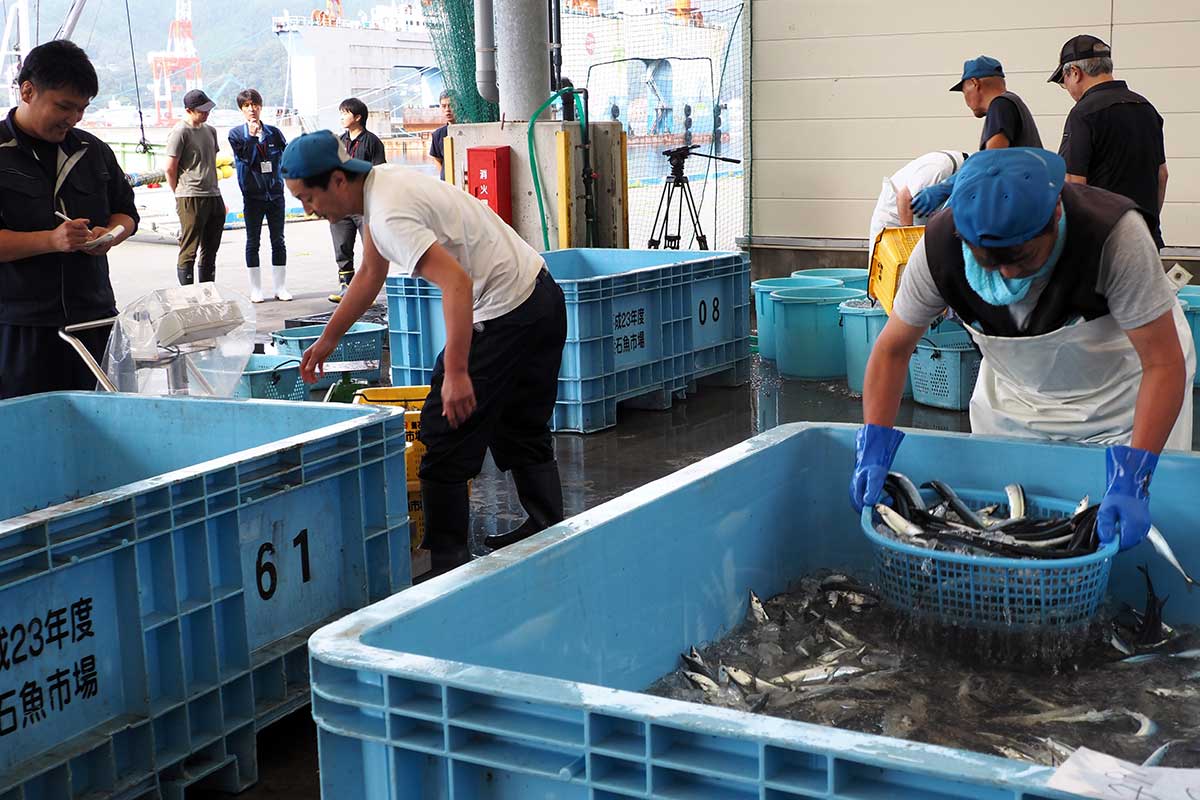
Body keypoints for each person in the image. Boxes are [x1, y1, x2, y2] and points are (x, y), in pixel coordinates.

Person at [850, 148, 1193, 555]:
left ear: (1057, 216)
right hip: (1015, 399)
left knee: (1121, 541)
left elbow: (1162, 363)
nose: (1009, 274)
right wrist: (873, 444)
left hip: (1124, 397)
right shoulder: (938, 249)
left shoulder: (1113, 237)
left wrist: (1135, 475)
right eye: (989, 262)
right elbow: (892, 349)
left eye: (1023, 257)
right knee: (1006, 535)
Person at [281, 131, 568, 578]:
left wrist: (456, 372)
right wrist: (328, 339)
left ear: (338, 180)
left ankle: (447, 562)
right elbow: (372, 272)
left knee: (444, 427)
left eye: (307, 198)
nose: (308, 210)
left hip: (508, 311)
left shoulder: (388, 214)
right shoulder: (380, 187)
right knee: (519, 423)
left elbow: (457, 284)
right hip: (540, 295)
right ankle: (548, 528)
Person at [0, 40, 138, 398]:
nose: (73, 118)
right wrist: (51, 240)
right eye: (64, 106)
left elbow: (127, 213)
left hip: (96, 320)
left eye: (82, 108)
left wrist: (111, 234)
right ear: (27, 90)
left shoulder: (92, 151)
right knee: (27, 434)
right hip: (19, 328)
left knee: (110, 428)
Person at [1049, 35, 1168, 250]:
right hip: (1146, 239)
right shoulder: (1146, 108)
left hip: (1104, 241)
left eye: (1063, 81)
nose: (1066, 88)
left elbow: (1074, 183)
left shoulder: (1083, 114)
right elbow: (1162, 175)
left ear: (1075, 73)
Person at [911, 57, 1042, 217]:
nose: (965, 99)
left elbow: (990, 162)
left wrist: (946, 187)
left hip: (1016, 211)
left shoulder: (1000, 105)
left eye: (964, 90)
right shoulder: (1012, 103)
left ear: (974, 83)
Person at [228, 88, 291, 302]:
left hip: (275, 194)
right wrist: (253, 138)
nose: (252, 109)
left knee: (278, 240)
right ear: (241, 109)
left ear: (261, 107)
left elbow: (287, 156)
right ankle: (256, 289)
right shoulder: (236, 134)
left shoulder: (274, 133)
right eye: (247, 106)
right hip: (252, 196)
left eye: (255, 105)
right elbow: (247, 159)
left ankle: (280, 287)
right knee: (253, 241)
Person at [328, 97, 386, 303]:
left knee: (370, 247)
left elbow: (380, 171)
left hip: (364, 204)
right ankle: (346, 287)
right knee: (342, 246)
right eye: (341, 113)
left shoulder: (372, 141)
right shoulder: (338, 141)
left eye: (345, 113)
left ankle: (367, 292)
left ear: (358, 117)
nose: (342, 117)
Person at [868, 150, 968, 265]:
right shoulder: (940, 167)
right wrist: (908, 241)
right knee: (884, 268)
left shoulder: (959, 176)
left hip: (916, 221)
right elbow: (903, 198)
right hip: (893, 217)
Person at [165, 89, 224, 286]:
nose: (206, 114)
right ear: (189, 110)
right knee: (189, 247)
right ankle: (188, 294)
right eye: (202, 110)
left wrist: (217, 193)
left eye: (208, 109)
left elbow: (210, 163)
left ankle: (208, 291)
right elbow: (170, 168)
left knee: (211, 248)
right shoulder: (180, 132)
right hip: (190, 194)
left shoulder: (210, 131)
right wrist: (178, 193)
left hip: (213, 194)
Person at [428, 90, 455, 180]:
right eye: (444, 106)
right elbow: (437, 158)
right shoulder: (438, 134)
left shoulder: (469, 129)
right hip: (448, 184)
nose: (447, 109)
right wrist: (444, 177)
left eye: (451, 105)